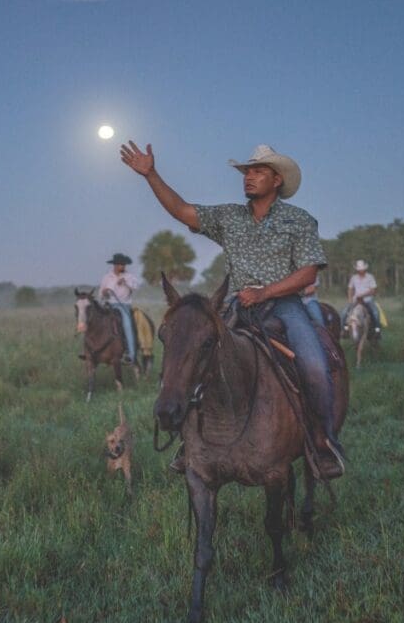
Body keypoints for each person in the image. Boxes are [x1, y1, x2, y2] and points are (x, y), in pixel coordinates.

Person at [120, 141, 345, 476]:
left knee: (313, 363)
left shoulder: (299, 221)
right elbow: (182, 210)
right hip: (235, 303)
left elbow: (308, 272)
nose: (248, 178)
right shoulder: (229, 217)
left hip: (284, 304)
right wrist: (151, 174)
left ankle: (321, 442)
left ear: (277, 180)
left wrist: (266, 291)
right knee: (191, 353)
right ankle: (190, 440)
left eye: (257, 172)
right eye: (246, 172)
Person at [100, 253, 141, 363]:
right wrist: (104, 293)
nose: (122, 267)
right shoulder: (107, 277)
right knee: (95, 321)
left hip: (123, 305)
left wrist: (126, 282)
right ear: (115, 265)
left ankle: (131, 355)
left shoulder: (129, 276)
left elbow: (137, 287)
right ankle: (92, 351)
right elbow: (101, 293)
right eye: (120, 265)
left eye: (124, 265)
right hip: (109, 304)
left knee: (127, 324)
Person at [343, 260, 381, 337]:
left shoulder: (370, 277)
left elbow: (373, 290)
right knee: (344, 313)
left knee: (375, 313)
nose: (361, 271)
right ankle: (345, 329)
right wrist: (350, 299)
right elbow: (350, 288)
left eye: (362, 269)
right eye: (359, 270)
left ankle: (377, 330)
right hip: (356, 299)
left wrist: (363, 295)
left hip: (368, 299)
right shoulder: (354, 278)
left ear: (365, 269)